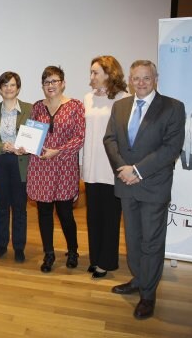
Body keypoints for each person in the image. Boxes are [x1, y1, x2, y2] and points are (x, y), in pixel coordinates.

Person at [104, 60, 185, 320]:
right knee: (134, 239)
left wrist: (137, 171)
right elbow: (110, 140)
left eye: (146, 78)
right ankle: (139, 279)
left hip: (153, 186)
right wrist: (123, 169)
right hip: (126, 184)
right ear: (129, 79)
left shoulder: (172, 107)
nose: (140, 83)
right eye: (136, 78)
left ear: (155, 78)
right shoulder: (120, 106)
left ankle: (148, 295)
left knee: (152, 242)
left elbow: (171, 148)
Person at [26, 65, 85, 273]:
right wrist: (25, 145)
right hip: (41, 165)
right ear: (42, 86)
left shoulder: (75, 106)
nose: (50, 85)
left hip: (64, 166)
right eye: (46, 82)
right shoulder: (37, 107)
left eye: (54, 81)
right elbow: (31, 135)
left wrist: (58, 151)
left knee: (65, 212)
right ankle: (49, 253)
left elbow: (80, 137)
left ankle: (73, 250)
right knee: (44, 212)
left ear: (63, 83)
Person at [82, 56, 130, 279]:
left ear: (109, 74)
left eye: (95, 72)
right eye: (91, 72)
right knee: (93, 216)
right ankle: (95, 258)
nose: (91, 77)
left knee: (111, 217)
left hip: (112, 168)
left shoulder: (123, 99)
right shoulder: (88, 98)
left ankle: (107, 261)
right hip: (91, 166)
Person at [0, 71, 32, 263]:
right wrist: (0, 145)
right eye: (5, 85)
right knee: (2, 206)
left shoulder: (30, 109)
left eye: (12, 85)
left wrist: (26, 147)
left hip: (21, 162)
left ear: (18, 88)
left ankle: (19, 247)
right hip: (0, 161)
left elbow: (35, 135)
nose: (8, 88)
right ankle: (2, 244)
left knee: (20, 207)